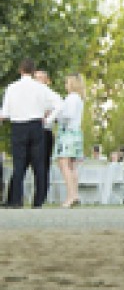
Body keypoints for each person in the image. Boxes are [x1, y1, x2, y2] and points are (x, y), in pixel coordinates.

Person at [0, 58, 60, 208]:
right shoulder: (40, 88)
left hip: (18, 125)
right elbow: (59, 103)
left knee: (19, 164)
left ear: (20, 70)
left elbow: (5, 112)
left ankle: (16, 200)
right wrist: (48, 120)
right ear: (33, 72)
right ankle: (38, 201)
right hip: (36, 125)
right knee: (38, 165)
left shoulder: (12, 88)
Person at [46, 73, 86, 208]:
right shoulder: (78, 99)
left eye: (67, 82)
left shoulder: (71, 98)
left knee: (64, 164)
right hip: (76, 133)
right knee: (71, 166)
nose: (65, 85)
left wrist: (55, 115)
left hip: (68, 134)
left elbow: (67, 115)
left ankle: (71, 196)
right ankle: (75, 194)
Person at [34, 69, 60, 201]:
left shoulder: (52, 94)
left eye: (40, 78)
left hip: (45, 131)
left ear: (47, 81)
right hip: (30, 130)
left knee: (43, 165)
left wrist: (49, 117)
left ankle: (41, 197)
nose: (38, 81)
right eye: (36, 78)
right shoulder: (30, 95)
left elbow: (59, 108)